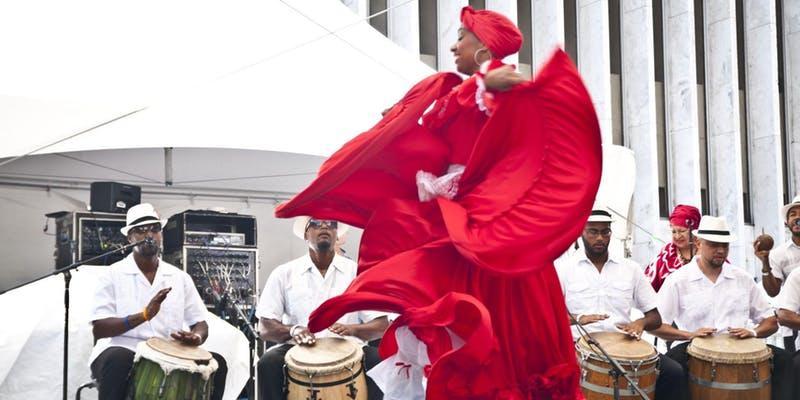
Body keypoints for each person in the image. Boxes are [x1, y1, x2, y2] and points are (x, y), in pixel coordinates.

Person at [273, 6, 602, 399]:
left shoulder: (495, 89)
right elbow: (433, 130)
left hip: (483, 235)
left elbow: (503, 144)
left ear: (483, 46)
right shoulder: (459, 89)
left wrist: (486, 86)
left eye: (461, 36)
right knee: (447, 307)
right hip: (463, 230)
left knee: (496, 333)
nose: (453, 44)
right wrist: (399, 123)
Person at [88, 203, 228, 400]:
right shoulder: (112, 274)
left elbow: (200, 323)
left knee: (216, 363)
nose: (149, 235)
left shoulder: (179, 277)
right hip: (124, 348)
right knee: (119, 359)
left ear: (161, 235)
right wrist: (144, 315)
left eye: (155, 229)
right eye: (141, 230)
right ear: (129, 237)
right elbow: (100, 328)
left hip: (169, 351)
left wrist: (196, 336)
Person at [652, 215, 792, 400]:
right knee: (670, 372)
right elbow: (657, 325)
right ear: (698, 242)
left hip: (742, 348)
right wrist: (689, 334)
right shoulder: (678, 280)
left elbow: (771, 321)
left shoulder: (742, 278)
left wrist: (754, 332)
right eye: (713, 244)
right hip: (691, 347)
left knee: (786, 361)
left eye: (724, 245)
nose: (720, 250)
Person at [557, 208, 686, 399]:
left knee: (674, 372)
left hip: (625, 345)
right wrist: (578, 319)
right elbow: (549, 318)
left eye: (605, 232)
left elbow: (655, 318)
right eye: (593, 231)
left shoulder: (630, 268)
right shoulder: (563, 269)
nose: (600, 238)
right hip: (579, 346)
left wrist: (640, 323)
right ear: (580, 232)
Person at [256, 217, 389, 400]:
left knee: (379, 360)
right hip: (297, 348)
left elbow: (381, 325)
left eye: (331, 224)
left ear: (336, 235)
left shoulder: (358, 273)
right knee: (267, 363)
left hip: (350, 349)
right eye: (316, 223)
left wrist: (354, 329)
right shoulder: (284, 273)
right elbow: (264, 327)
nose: (325, 226)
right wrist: (294, 330)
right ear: (305, 234)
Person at [758, 195, 800, 351]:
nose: (797, 218)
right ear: (786, 222)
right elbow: (772, 292)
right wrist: (765, 262)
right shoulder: (779, 254)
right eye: (793, 214)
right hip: (793, 323)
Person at [644, 204, 701, 292]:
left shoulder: (707, 250)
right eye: (674, 231)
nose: (677, 236)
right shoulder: (665, 256)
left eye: (682, 231)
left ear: (694, 230)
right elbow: (646, 290)